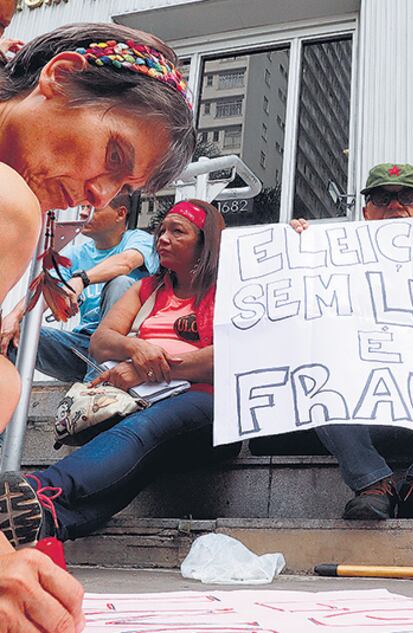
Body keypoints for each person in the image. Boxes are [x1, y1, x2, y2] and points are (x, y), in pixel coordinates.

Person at [0, 22, 192, 631]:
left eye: (122, 186)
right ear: (59, 78)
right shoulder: (11, 202)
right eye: (113, 155)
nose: (97, 192)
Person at [0, 200, 224, 551]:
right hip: (145, 404)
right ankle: (44, 520)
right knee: (138, 467)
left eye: (177, 231)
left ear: (204, 241)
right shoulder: (147, 288)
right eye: (161, 230)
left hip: (204, 405)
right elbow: (101, 342)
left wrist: (144, 369)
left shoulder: (228, 290)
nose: (163, 238)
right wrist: (135, 347)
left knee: (141, 430)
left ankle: (40, 488)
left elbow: (227, 356)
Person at [290, 163, 413, 519]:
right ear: (366, 213)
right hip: (359, 415)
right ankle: (372, 483)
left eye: (407, 197)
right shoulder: (333, 265)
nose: (395, 206)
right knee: (312, 364)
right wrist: (294, 250)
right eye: (382, 198)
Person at [2, 191, 160, 382]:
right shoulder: (75, 254)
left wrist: (82, 279)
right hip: (83, 348)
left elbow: (126, 262)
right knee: (15, 334)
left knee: (121, 283)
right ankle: (11, 395)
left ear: (120, 214)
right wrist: (14, 316)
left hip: (127, 349)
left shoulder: (140, 240)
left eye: (92, 208)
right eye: (83, 207)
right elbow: (45, 290)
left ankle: (95, 388)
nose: (83, 213)